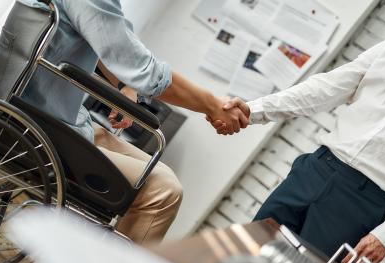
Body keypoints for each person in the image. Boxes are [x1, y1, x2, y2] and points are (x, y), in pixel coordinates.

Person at [17, 0, 247, 244]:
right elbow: (147, 73)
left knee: (162, 174)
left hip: (50, 115)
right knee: (163, 193)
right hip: (43, 127)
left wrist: (124, 85)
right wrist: (213, 105)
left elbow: (101, 36)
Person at [211, 37, 385, 263]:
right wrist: (251, 110)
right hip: (317, 169)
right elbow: (325, 89)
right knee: (243, 258)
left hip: (364, 204)